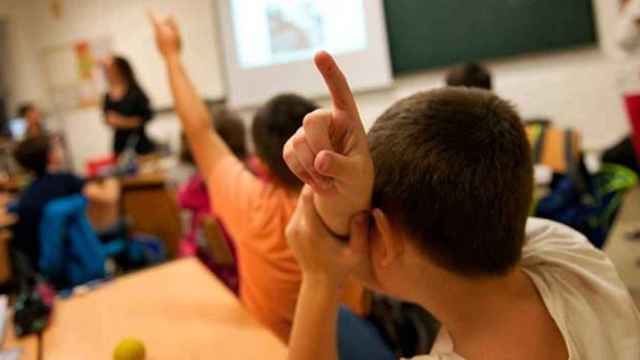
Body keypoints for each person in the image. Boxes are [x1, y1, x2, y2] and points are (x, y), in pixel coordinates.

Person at [283, 52, 640, 359]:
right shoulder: (566, 251)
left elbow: (354, 260)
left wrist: (319, 276)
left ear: (387, 236)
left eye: (369, 224)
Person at [149, 13, 365, 343]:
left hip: (268, 346)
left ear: (260, 165)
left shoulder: (249, 204)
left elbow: (199, 129)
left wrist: (171, 55)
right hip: (352, 346)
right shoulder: (353, 206)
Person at [10, 135, 119, 269]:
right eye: (56, 149)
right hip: (80, 257)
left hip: (46, 264)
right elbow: (109, 197)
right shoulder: (66, 181)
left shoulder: (27, 194)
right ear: (51, 156)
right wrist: (111, 177)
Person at [102, 56, 156, 156]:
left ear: (121, 70)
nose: (109, 73)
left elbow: (148, 116)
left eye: (112, 70)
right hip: (119, 146)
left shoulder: (135, 93)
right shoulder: (107, 96)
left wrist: (123, 121)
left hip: (138, 144)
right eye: (108, 71)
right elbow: (106, 118)